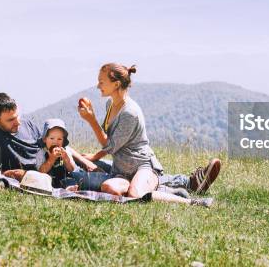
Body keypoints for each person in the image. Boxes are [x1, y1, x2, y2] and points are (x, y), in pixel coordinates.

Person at [0, 92, 221, 195]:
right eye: (10, 120)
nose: (17, 123)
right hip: (61, 178)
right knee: (119, 181)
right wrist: (18, 176)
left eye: (17, 116)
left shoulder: (28, 125)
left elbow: (58, 145)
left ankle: (187, 181)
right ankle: (184, 186)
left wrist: (88, 160)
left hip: (71, 164)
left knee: (113, 167)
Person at [77, 63, 216, 206]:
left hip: (142, 166)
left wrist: (91, 120)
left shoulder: (129, 113)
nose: (98, 86)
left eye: (101, 82)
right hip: (120, 170)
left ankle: (192, 201)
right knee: (109, 188)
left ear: (116, 84)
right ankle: (166, 189)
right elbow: (110, 138)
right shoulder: (110, 104)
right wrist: (94, 155)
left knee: (135, 195)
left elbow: (110, 146)